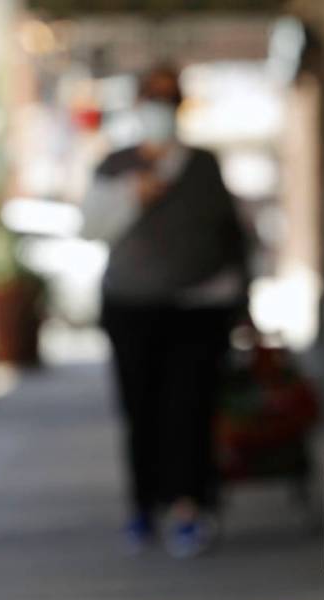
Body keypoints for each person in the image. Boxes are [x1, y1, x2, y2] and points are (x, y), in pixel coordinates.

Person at [81, 65, 249, 557]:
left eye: (168, 97)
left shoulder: (202, 165)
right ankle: (142, 507)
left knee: (192, 409)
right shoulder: (114, 164)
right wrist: (132, 192)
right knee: (141, 410)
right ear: (137, 105)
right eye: (152, 96)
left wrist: (244, 301)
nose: (160, 106)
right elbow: (89, 225)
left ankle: (190, 506)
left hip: (200, 308)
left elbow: (231, 236)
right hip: (131, 308)